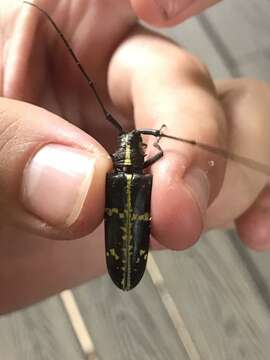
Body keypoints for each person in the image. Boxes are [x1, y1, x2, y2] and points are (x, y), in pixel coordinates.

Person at [0, 0, 269, 313]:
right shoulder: (138, 176)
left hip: (119, 257)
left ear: (119, 154)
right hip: (124, 256)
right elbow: (160, 157)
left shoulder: (110, 175)